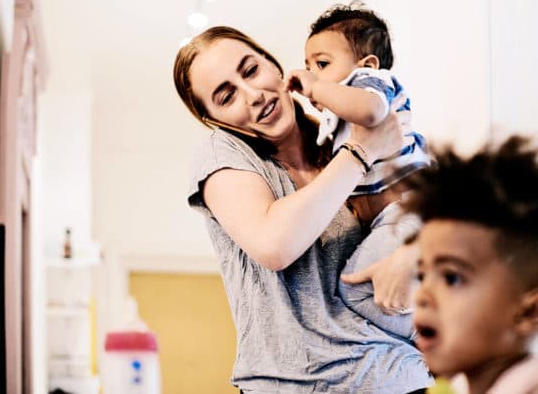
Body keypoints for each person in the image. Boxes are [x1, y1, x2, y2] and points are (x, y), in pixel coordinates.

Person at [173, 26, 432, 393]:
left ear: (274, 65)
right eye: (226, 96)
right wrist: (361, 151)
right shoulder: (224, 154)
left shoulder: (339, 136)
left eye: (250, 70)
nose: (253, 94)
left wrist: (415, 251)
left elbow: (432, 214)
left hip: (400, 378)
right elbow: (274, 244)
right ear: (214, 119)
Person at [402, 136, 538, 394]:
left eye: (452, 278)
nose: (422, 296)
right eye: (422, 275)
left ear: (531, 312)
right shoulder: (458, 387)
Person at [286, 1, 430, 340]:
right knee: (369, 287)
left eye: (322, 64)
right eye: (308, 66)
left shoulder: (371, 83)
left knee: (355, 290)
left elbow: (371, 111)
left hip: (409, 211)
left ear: (367, 64)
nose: (313, 74)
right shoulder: (336, 122)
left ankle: (436, 334)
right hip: (392, 220)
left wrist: (315, 88)